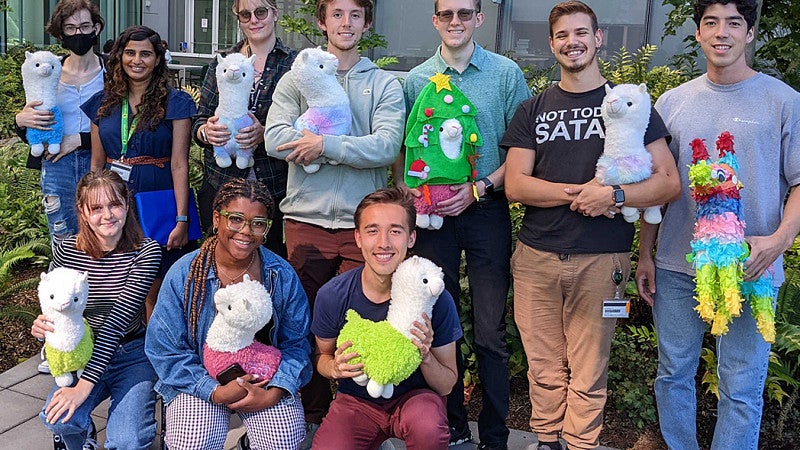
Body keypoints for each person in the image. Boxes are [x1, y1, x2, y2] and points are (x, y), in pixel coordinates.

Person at [500, 2, 681, 449]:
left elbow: (668, 182)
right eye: (562, 35)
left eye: (581, 32)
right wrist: (583, 194)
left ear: (598, 39)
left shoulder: (631, 103)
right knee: (542, 362)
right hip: (537, 257)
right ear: (552, 44)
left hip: (604, 259)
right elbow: (517, 185)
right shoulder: (532, 109)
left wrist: (615, 195)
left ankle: (579, 442)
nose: (572, 42)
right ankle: (545, 439)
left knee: (590, 365)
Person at [635, 1, 800, 448]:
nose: (721, 32)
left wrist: (779, 242)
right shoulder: (672, 103)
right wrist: (646, 253)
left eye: (733, 23)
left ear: (749, 33)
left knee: (742, 388)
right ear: (699, 32)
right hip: (676, 264)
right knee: (672, 375)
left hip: (754, 266)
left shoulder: (783, 101)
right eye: (711, 22)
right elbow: (657, 185)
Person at [264, 0, 405, 437]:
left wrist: (324, 145)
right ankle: (307, 416)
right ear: (322, 22)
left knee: (360, 325)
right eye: (337, 14)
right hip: (305, 221)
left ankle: (356, 417)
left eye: (355, 15)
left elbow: (385, 146)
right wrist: (340, 145)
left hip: (363, 230)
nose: (346, 23)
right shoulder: (297, 77)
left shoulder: (383, 83)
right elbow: (274, 138)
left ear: (366, 23)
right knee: (303, 322)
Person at [393, 0, 530, 447]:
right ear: (435, 20)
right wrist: (411, 191)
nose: (456, 22)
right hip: (432, 218)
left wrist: (478, 189)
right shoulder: (416, 81)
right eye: (447, 14)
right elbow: (406, 149)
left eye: (464, 13)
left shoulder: (505, 74)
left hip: (486, 211)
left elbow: (521, 153)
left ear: (479, 19)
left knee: (489, 328)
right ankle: (450, 423)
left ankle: (493, 431)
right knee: (437, 320)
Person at [145, 178, 312, 450]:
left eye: (258, 223)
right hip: (199, 378)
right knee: (193, 443)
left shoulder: (280, 276)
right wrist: (213, 391)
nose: (246, 231)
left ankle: (249, 441)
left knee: (282, 441)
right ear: (216, 218)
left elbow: (297, 343)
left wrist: (275, 391)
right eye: (235, 219)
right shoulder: (185, 273)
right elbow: (164, 349)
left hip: (264, 378)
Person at [310, 187, 462, 449]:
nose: (384, 243)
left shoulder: (434, 297)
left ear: (411, 238)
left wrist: (425, 354)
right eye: (372, 231)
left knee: (429, 427)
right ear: (358, 238)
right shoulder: (333, 295)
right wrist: (334, 367)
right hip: (357, 401)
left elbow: (447, 384)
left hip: (415, 399)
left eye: (395, 231)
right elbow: (320, 357)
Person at [30, 169, 161, 450]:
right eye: (97, 208)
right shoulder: (67, 251)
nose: (108, 215)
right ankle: (82, 435)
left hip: (132, 353)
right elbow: (53, 303)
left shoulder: (146, 251)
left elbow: (116, 324)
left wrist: (82, 389)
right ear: (83, 211)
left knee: (129, 440)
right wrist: (42, 326)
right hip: (84, 351)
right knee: (60, 420)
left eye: (115, 204)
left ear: (127, 204)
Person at [81, 25, 197, 320]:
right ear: (120, 56)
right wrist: (89, 212)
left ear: (158, 59)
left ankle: (158, 354)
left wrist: (181, 219)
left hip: (159, 203)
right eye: (130, 53)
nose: (137, 60)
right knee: (118, 284)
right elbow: (96, 164)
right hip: (113, 204)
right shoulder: (102, 103)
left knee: (157, 289)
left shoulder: (176, 102)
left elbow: (179, 163)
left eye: (146, 54)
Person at [193, 0, 297, 257]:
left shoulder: (293, 64)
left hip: (273, 182)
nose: (254, 19)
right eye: (245, 14)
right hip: (221, 181)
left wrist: (266, 134)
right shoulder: (224, 62)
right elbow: (200, 118)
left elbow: (304, 123)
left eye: (261, 12)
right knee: (217, 258)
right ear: (237, 17)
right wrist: (206, 131)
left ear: (274, 13)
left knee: (269, 259)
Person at [14, 0, 106, 246]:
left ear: (96, 29)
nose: (79, 33)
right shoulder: (47, 70)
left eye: (85, 26)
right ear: (60, 33)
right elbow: (36, 121)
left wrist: (79, 140)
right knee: (63, 234)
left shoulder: (112, 71)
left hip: (100, 160)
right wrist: (20, 121)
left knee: (103, 234)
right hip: (57, 164)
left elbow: (125, 123)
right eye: (70, 28)